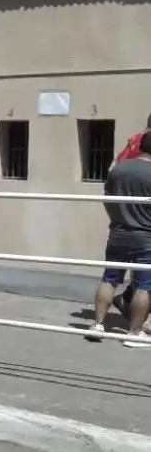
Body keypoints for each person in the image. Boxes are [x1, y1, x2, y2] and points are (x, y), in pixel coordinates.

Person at [90, 131, 151, 347]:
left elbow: (108, 198)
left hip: (117, 232)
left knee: (110, 278)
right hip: (146, 236)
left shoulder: (118, 169)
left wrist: (116, 218)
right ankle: (134, 333)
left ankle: (98, 324)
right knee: (144, 285)